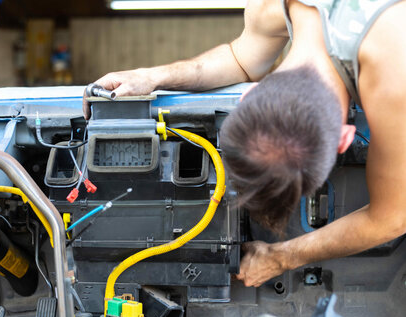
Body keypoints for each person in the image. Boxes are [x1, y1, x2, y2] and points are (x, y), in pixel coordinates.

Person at [83, 0, 406, 288]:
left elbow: (392, 217)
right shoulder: (271, 7)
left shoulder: (394, 62)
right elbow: (241, 59)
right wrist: (151, 76)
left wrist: (282, 256)